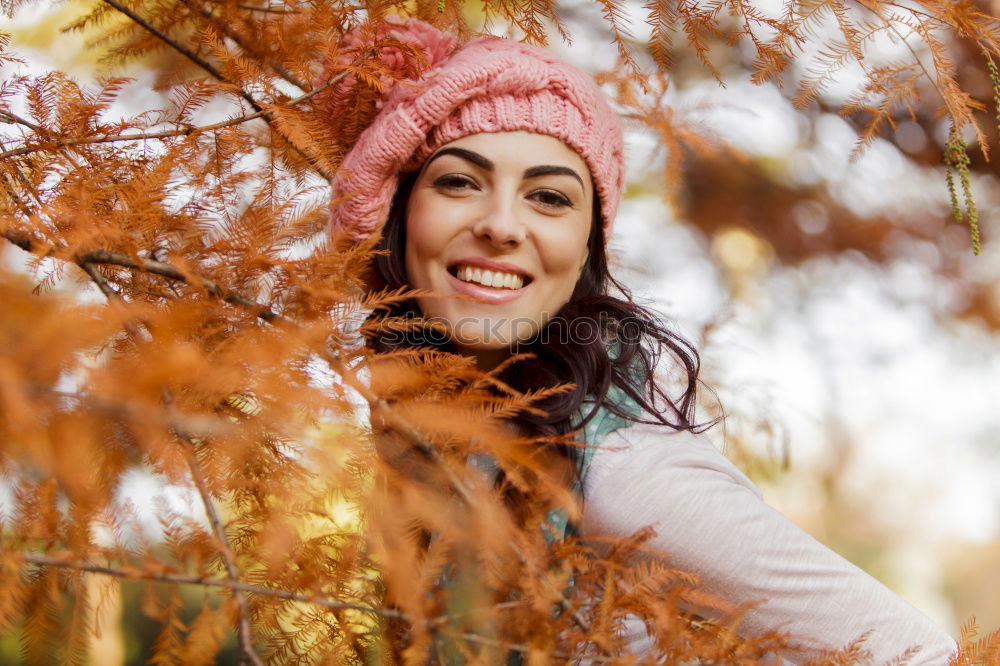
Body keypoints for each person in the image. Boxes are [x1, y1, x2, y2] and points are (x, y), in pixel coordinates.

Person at [325, 17, 958, 664]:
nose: (501, 225)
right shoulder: (443, 440)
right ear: (399, 216)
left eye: (549, 197)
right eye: (459, 182)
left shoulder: (616, 461)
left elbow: (913, 650)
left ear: (585, 252)